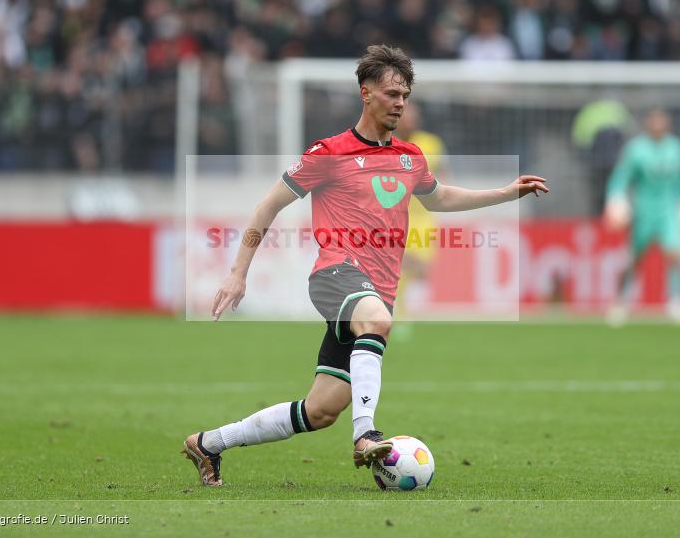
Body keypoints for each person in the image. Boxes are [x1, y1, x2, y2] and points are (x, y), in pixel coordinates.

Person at [183, 45, 549, 486]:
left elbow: (441, 198)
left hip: (376, 289)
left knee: (320, 410)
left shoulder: (410, 156)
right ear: (366, 93)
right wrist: (237, 271)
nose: (400, 103)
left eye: (405, 95)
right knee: (376, 320)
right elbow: (268, 206)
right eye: (392, 93)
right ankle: (365, 436)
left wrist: (507, 192)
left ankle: (208, 444)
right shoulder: (328, 152)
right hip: (335, 275)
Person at [604, 109, 680, 327]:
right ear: (647, 125)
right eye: (654, 122)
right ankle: (621, 301)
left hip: (669, 209)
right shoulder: (636, 149)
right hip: (644, 209)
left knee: (674, 253)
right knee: (635, 258)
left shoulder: (676, 148)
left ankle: (676, 301)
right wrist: (616, 199)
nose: (658, 126)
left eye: (662, 121)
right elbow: (621, 177)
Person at [393, 100, 449, 333]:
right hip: (395, 216)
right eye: (405, 115)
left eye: (412, 115)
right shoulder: (386, 144)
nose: (408, 119)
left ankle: (398, 311)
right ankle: (399, 315)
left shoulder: (431, 144)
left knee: (419, 267)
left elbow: (444, 176)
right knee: (401, 264)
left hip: (423, 217)